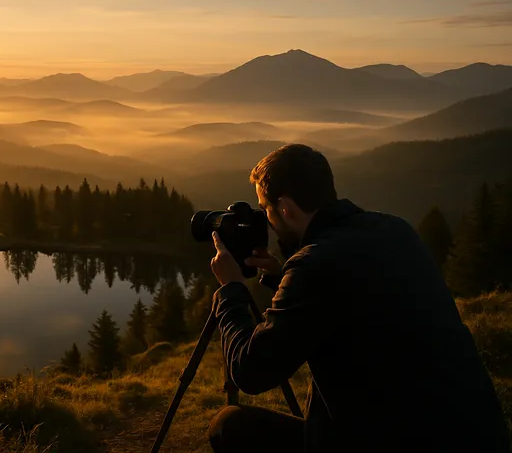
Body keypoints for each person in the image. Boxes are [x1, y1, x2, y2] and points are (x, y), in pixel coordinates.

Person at [207, 144, 509, 453]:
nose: (267, 221)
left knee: (228, 425)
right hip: (477, 437)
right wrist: (280, 275)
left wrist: (230, 289)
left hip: (388, 442)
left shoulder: (315, 265)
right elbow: (344, 296)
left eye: (266, 210)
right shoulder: (396, 229)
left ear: (285, 208)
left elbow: (250, 372)